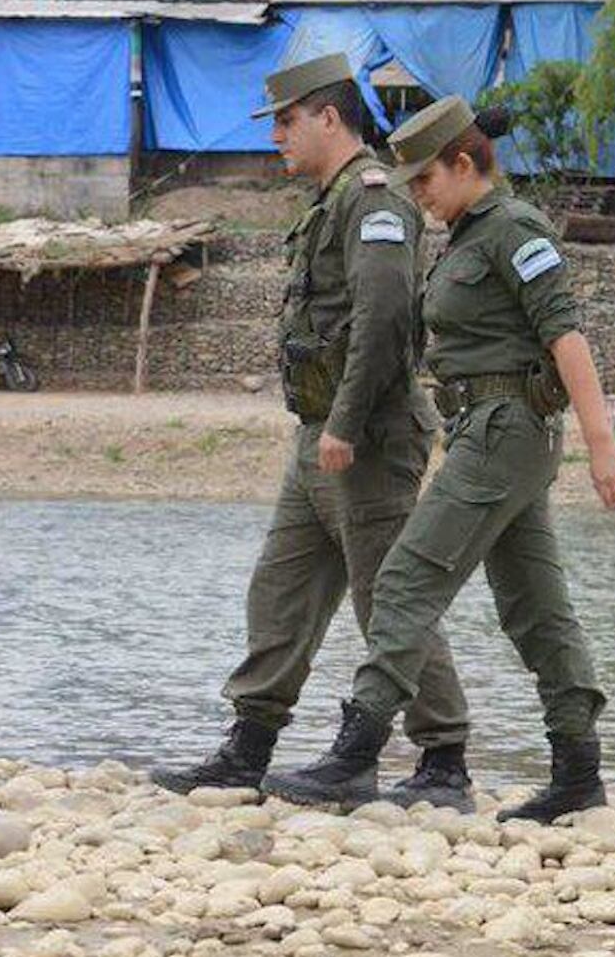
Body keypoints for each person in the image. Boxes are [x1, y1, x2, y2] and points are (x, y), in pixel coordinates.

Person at [264, 95, 615, 820]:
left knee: (403, 580)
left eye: (426, 181)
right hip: (482, 433)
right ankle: (579, 770)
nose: (419, 197)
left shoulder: (514, 228)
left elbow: (567, 336)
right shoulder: (466, 234)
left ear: (465, 164)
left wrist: (602, 441)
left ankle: (356, 752)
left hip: (507, 431)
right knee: (536, 608)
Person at [151, 54, 473, 810]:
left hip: (366, 440)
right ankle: (249, 746)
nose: (277, 139)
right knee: (281, 590)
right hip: (319, 439)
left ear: (330, 117)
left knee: (389, 601)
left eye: (287, 122)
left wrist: (349, 422)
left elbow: (385, 318)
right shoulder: (331, 203)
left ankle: (444, 761)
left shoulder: (375, 202)